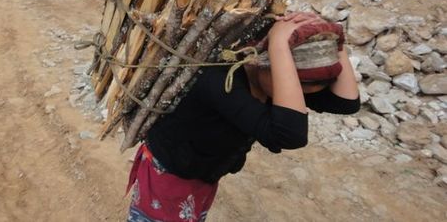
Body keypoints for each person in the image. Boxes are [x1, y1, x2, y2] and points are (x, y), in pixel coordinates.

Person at [125, 12, 361, 222]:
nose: (291, 94)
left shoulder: (269, 79)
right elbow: (291, 135)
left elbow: (346, 103)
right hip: (169, 174)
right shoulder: (219, 79)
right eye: (289, 81)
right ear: (264, 63)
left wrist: (335, 39)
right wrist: (278, 44)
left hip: (203, 171)